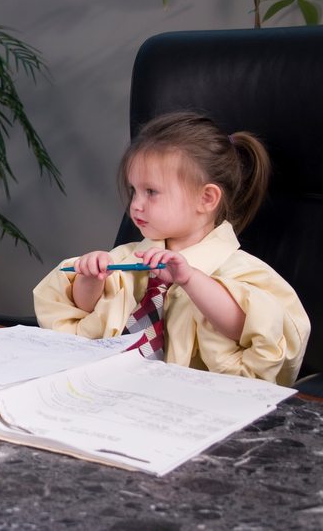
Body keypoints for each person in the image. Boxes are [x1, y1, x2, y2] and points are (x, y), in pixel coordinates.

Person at [33, 112, 309, 386]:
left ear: (207, 198)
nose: (136, 205)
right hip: (112, 388)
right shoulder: (126, 258)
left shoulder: (244, 273)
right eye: (134, 191)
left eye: (151, 192)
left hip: (194, 403)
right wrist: (90, 279)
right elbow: (83, 317)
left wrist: (189, 279)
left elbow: (250, 327)